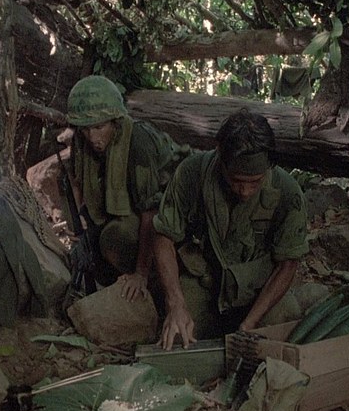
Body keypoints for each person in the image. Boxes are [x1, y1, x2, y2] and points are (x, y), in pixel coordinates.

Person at [152, 108, 309, 349]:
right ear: (220, 157)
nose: (245, 191)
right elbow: (164, 236)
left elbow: (288, 264)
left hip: (257, 292)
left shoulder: (287, 192)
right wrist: (176, 304)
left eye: (255, 182)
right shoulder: (192, 173)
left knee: (283, 327)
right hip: (205, 284)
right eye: (236, 181)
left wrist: (249, 324)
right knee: (176, 339)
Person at [65, 75, 188, 302]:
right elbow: (78, 184)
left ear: (115, 121)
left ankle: (155, 284)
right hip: (133, 210)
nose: (92, 137)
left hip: (172, 216)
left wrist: (140, 274)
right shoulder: (81, 141)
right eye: (85, 129)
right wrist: (81, 228)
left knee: (115, 237)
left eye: (99, 127)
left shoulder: (137, 143)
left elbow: (151, 213)